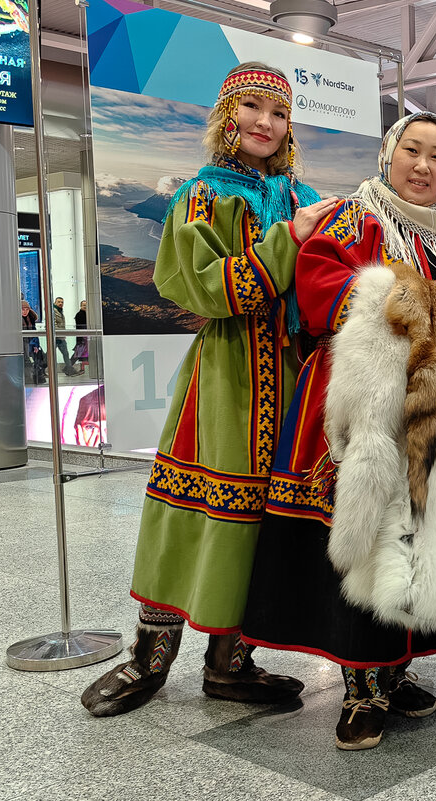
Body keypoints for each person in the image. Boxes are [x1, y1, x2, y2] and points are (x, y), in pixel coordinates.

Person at [240, 111, 436, 752]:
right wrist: (410, 299)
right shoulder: (352, 219)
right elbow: (319, 286)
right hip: (360, 410)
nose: (423, 166)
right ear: (388, 158)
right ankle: (360, 684)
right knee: (364, 538)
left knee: (420, 535)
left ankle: (397, 670)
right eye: (411, 152)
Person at [81, 62, 338, 717]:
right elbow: (201, 287)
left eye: (278, 113)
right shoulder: (201, 195)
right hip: (225, 379)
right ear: (226, 118)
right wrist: (288, 241)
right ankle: (148, 660)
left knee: (261, 525)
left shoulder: (298, 193)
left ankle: (231, 663)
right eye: (251, 107)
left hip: (291, 382)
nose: (265, 122)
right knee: (189, 512)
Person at [52, 296, 75, 375]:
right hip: (55, 337)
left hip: (61, 337)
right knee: (49, 355)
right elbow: (53, 325)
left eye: (62, 302)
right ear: (55, 302)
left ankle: (69, 370)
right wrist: (60, 333)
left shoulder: (60, 311)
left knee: (66, 354)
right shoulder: (53, 311)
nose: (61, 303)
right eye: (59, 302)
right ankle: (41, 370)